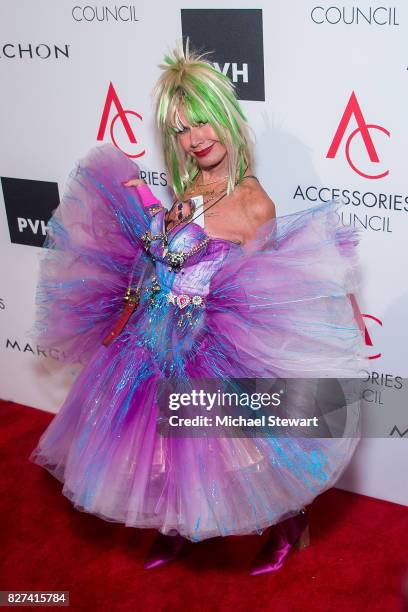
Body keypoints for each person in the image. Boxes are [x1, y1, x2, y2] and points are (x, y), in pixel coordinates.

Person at [28, 41, 366, 575]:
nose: (196, 137)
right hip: (153, 335)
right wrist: (155, 219)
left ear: (227, 119)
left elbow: (263, 290)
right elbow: (173, 254)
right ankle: (179, 526)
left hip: (208, 346)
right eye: (183, 129)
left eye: (203, 121)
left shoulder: (254, 203)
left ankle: (287, 521)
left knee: (241, 452)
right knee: (160, 450)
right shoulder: (189, 183)